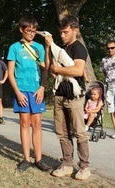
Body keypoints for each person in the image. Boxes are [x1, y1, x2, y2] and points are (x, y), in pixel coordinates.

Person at [44, 15, 91, 180]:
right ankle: (67, 164)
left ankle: (84, 167)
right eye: (60, 32)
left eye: (65, 32)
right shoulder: (60, 49)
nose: (62, 35)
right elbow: (49, 66)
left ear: (75, 31)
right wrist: (48, 46)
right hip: (59, 95)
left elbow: (78, 71)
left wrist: (57, 69)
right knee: (62, 133)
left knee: (79, 132)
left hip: (75, 97)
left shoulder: (79, 48)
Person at [7, 16, 50, 172]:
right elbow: (10, 73)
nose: (31, 33)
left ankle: (39, 159)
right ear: (21, 30)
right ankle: (26, 159)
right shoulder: (14, 48)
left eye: (33, 31)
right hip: (22, 90)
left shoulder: (38, 47)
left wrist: (43, 88)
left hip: (37, 90)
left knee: (37, 124)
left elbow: (46, 67)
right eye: (28, 31)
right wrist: (17, 93)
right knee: (25, 123)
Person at [100, 39, 115, 139]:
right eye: (108, 48)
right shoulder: (104, 60)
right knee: (112, 111)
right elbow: (104, 72)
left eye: (112, 48)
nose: (110, 50)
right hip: (109, 89)